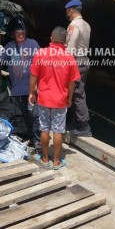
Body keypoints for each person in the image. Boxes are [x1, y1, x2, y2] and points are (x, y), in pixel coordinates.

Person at [29, 26, 80, 169]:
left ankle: (45, 159)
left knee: (44, 128)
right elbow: (72, 82)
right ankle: (57, 161)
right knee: (58, 130)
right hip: (60, 100)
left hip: (44, 99)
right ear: (65, 41)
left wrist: (32, 92)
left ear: (51, 39)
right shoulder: (69, 57)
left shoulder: (41, 53)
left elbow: (34, 76)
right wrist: (69, 98)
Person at [0, 16, 41, 153]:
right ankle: (31, 138)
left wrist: (37, 87)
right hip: (18, 90)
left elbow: (41, 64)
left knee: (34, 115)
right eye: (17, 32)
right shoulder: (9, 46)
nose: (20, 34)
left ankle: (37, 142)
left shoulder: (34, 44)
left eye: (22, 31)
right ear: (12, 34)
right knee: (24, 115)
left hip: (32, 89)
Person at [65, 0, 92, 137]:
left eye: (67, 11)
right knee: (79, 90)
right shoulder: (86, 25)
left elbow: (70, 47)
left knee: (76, 92)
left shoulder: (73, 25)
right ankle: (76, 123)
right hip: (84, 60)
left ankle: (83, 126)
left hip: (76, 61)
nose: (67, 14)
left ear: (71, 10)